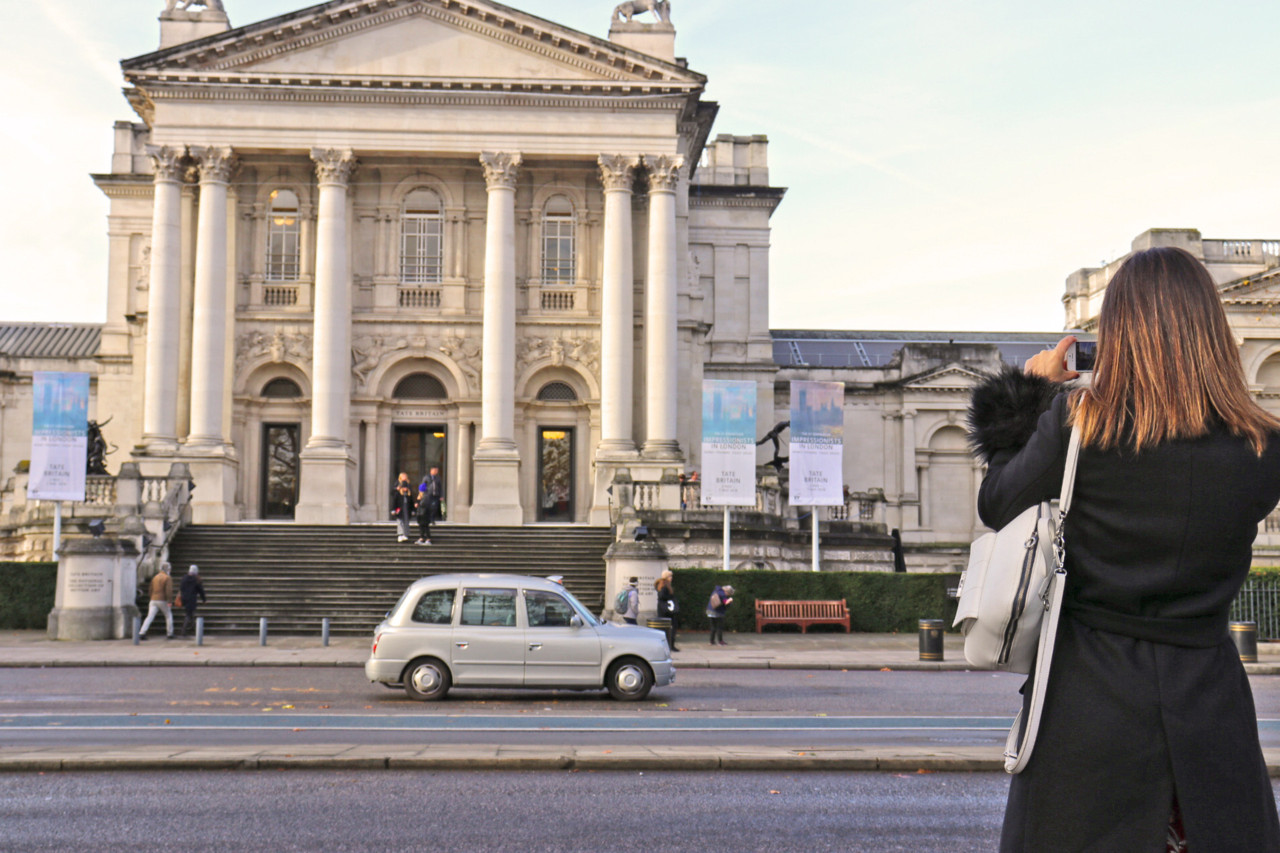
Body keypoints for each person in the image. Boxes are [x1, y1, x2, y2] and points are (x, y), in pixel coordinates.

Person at [967, 246, 1280, 851]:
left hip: (1088, 701)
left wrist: (1029, 394)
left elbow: (997, 502)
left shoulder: (1080, 425)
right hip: (1208, 700)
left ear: (1118, 335)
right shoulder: (1263, 447)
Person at [137, 562, 173, 640]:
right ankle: (170, 633)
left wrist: (151, 597)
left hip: (153, 599)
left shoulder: (155, 577)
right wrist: (170, 600)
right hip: (163, 600)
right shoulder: (167, 578)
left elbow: (150, 589)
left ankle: (142, 632)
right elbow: (168, 591)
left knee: (150, 617)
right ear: (167, 569)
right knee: (168, 615)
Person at [415, 467, 442, 545]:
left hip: (425, 511)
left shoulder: (437, 479)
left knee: (425, 524)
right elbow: (419, 500)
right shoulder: (426, 479)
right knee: (422, 525)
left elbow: (440, 488)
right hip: (421, 512)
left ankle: (427, 538)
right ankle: (422, 538)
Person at [178, 564, 206, 638]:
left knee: (190, 613)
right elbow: (200, 590)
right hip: (192, 599)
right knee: (189, 614)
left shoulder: (184, 578)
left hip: (184, 598)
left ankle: (193, 628)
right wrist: (204, 599)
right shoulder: (196, 579)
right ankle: (183, 631)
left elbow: (181, 587)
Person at [654, 570, 679, 651]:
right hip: (667, 609)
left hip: (664, 609)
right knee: (672, 627)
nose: (671, 578)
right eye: (669, 576)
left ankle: (669, 645)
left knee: (668, 627)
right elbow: (662, 596)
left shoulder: (663, 584)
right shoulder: (665, 586)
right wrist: (670, 598)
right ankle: (670, 645)